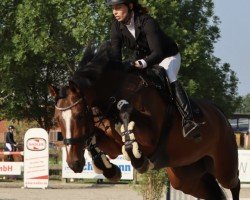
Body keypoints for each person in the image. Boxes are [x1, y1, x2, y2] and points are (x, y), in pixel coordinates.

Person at [107, 0, 201, 139]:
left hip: (167, 56)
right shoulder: (116, 27)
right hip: (144, 59)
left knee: (168, 75)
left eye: (118, 7)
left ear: (130, 6)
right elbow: (116, 57)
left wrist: (142, 63)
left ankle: (188, 120)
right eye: (113, 8)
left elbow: (157, 53)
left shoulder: (146, 21)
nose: (114, 12)